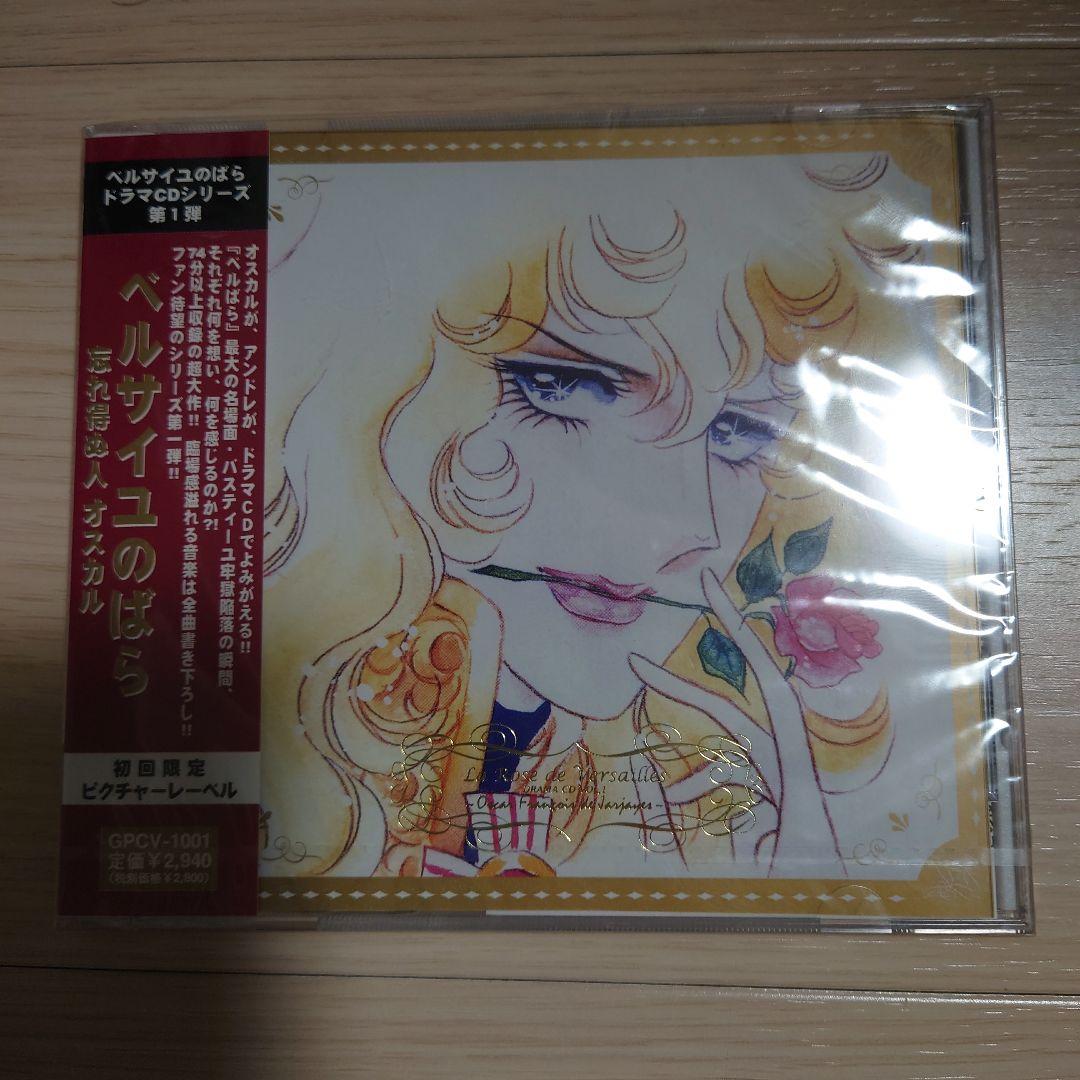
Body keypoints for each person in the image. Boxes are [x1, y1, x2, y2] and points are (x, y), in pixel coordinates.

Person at [259, 152, 905, 882]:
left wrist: (795, 898)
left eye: (735, 432)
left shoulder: (692, 807)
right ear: (373, 376)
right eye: (558, 386)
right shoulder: (274, 737)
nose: (689, 527)